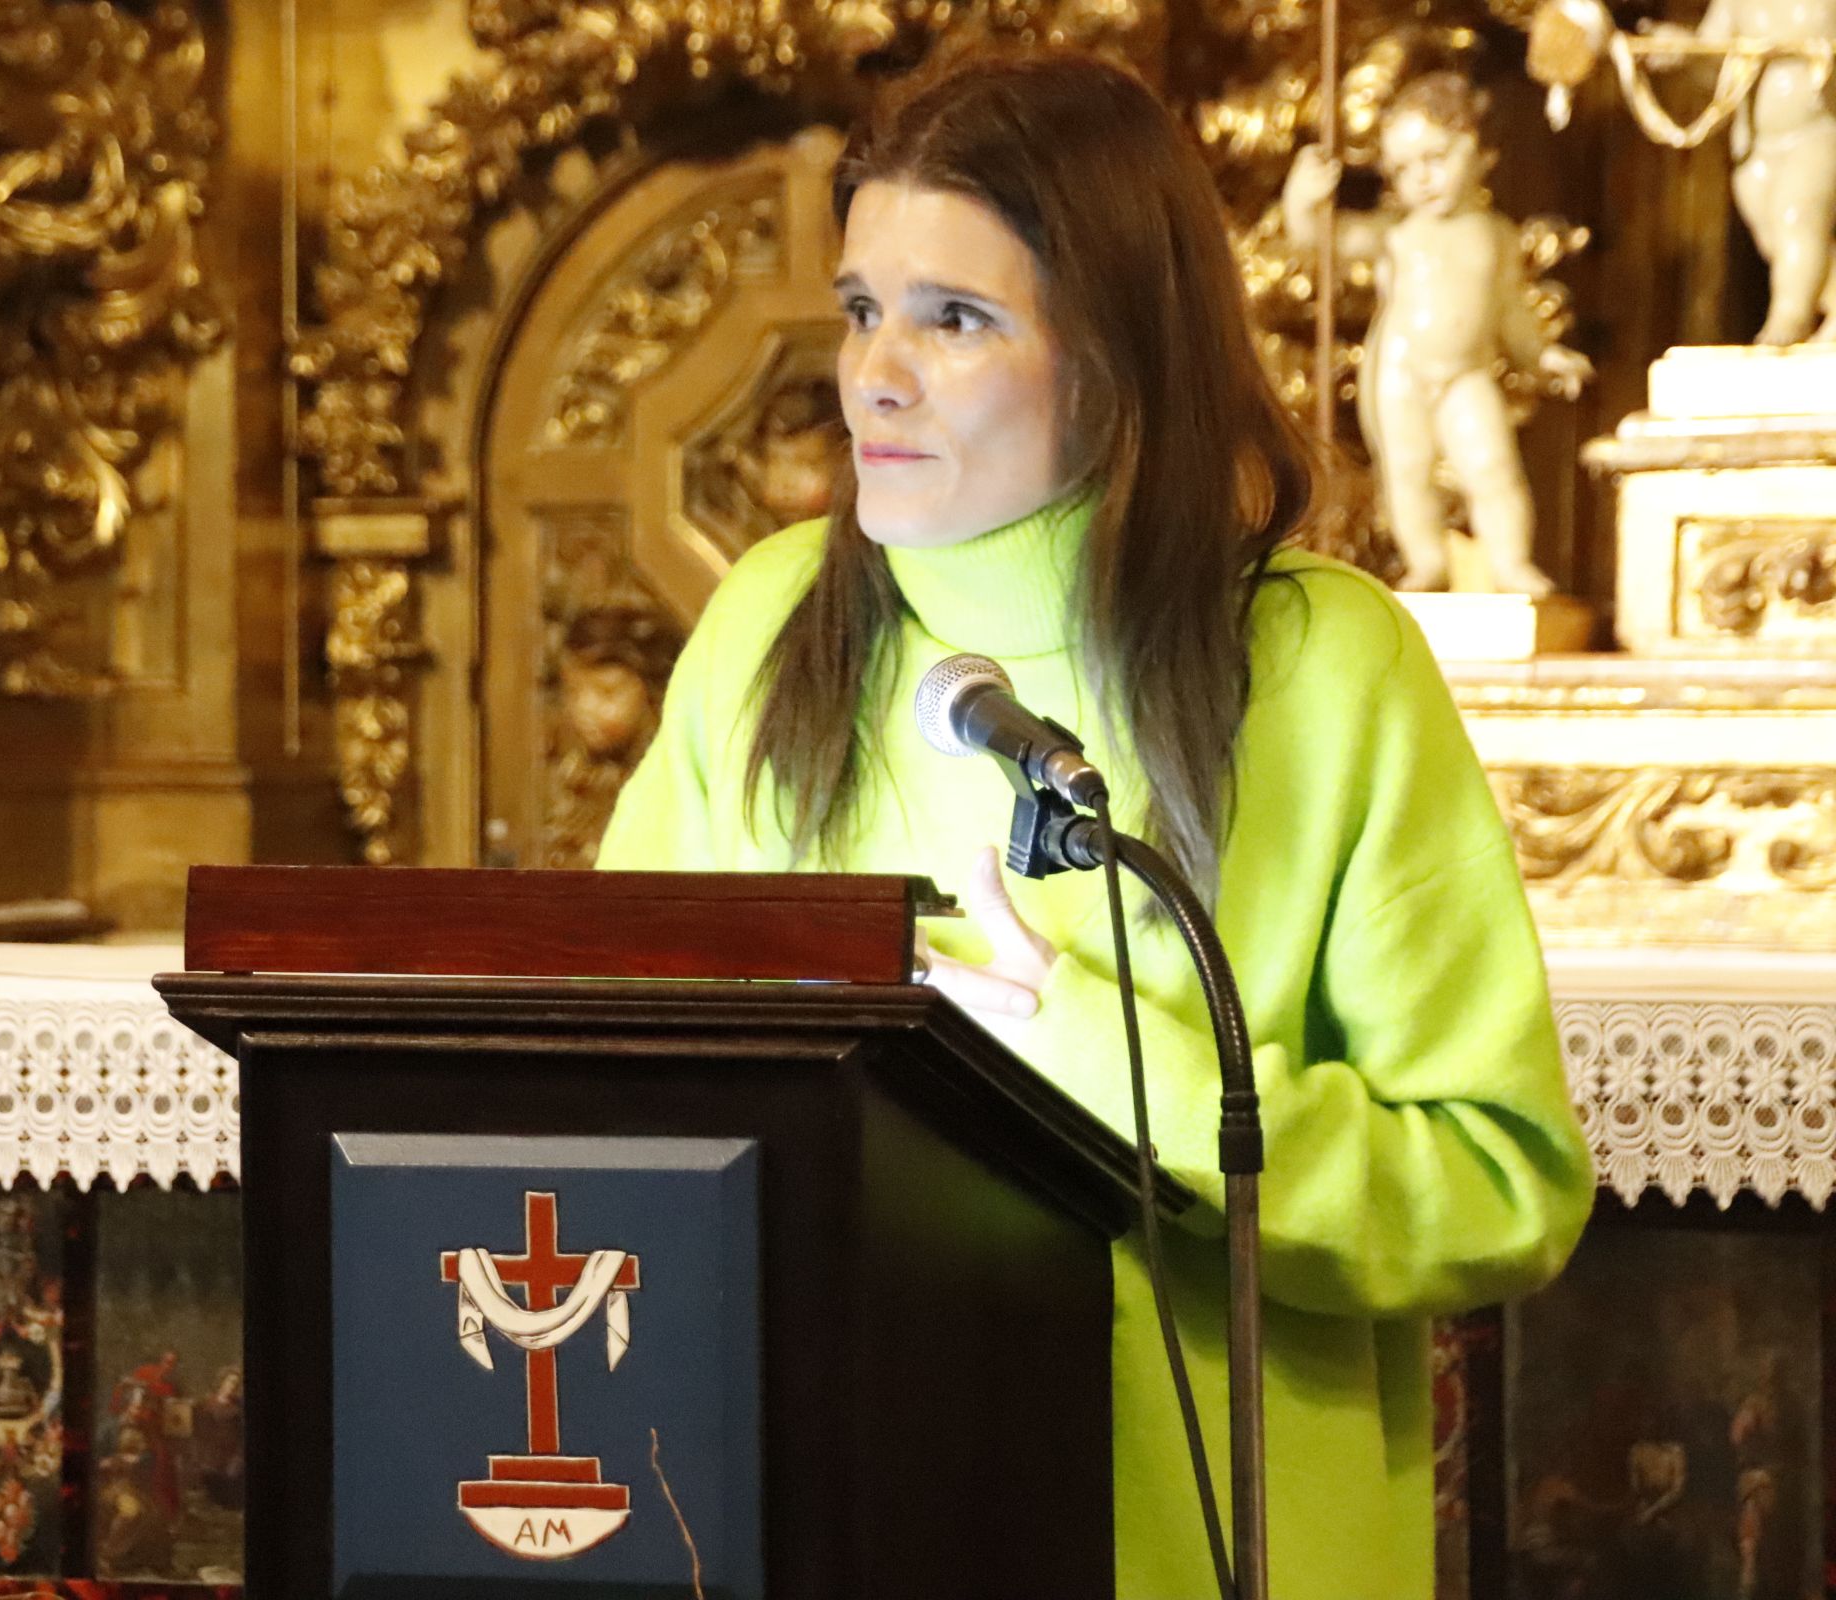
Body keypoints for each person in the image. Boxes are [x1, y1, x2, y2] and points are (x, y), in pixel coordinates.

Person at [596, 50, 1594, 1599]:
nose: (874, 374)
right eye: (864, 308)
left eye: (957, 318)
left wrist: (1102, 1054)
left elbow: (1497, 1186)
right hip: (818, 1495)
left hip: (1204, 1529)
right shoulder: (768, 622)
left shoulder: (1323, 664)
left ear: (1120, 354)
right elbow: (614, 1059)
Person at [1282, 73, 1591, 595]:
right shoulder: (1397, 235)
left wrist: (1543, 356)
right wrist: (1301, 199)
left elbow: (1512, 313)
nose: (1422, 179)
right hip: (1400, 371)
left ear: (1480, 150)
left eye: (1436, 158)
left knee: (1492, 466)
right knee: (1407, 471)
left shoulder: (1496, 236)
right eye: (1404, 169)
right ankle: (1426, 562)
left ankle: (1510, 563)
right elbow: (1320, 239)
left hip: (1466, 373)